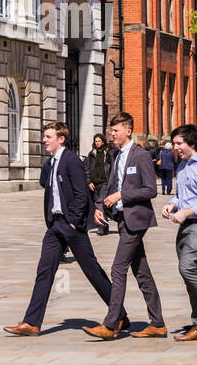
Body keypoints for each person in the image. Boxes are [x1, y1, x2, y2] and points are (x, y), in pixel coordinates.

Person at [4, 121, 116, 337]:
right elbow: (45, 183)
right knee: (44, 271)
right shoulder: (53, 162)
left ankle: (119, 314)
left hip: (70, 225)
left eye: (48, 137)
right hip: (55, 225)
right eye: (44, 136)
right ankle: (32, 322)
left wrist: (73, 222)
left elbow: (81, 194)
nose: (44, 140)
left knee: (91, 270)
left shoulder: (71, 160)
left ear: (61, 139)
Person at [83, 111, 166, 340]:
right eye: (111, 131)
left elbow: (150, 190)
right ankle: (157, 323)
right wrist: (100, 206)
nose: (112, 135)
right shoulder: (116, 156)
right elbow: (110, 186)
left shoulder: (140, 155)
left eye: (116, 131)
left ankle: (110, 325)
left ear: (128, 131)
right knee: (142, 274)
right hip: (122, 219)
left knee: (118, 269)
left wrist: (121, 195)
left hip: (136, 220)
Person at [162, 123, 197, 341]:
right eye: (174, 143)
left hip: (195, 225)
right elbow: (181, 194)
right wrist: (172, 204)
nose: (175, 147)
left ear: (192, 143)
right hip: (184, 227)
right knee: (188, 274)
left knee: (187, 269)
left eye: (179, 143)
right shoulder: (182, 166)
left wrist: (187, 212)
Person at [84, 133, 111, 235]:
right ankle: (104, 224)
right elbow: (87, 169)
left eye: (99, 141)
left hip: (105, 182)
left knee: (99, 204)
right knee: (99, 205)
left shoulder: (108, 153)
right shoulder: (91, 154)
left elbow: (111, 167)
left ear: (103, 142)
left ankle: (102, 227)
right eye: (95, 141)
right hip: (95, 184)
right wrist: (89, 181)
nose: (97, 143)